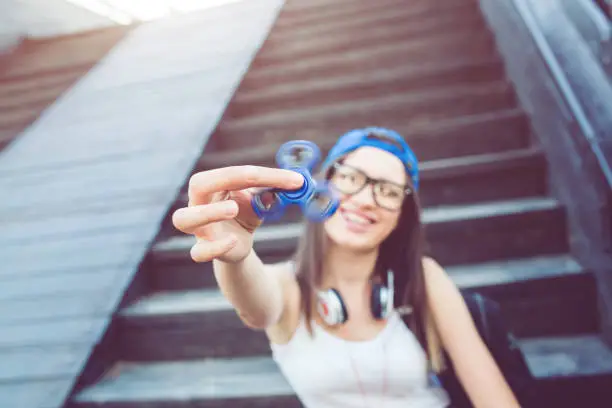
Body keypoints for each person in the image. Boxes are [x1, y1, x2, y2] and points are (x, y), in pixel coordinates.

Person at [172, 128, 521, 408]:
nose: (366, 199)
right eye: (352, 178)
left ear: (403, 214)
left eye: (388, 191)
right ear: (323, 185)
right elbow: (255, 310)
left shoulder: (424, 277)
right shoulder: (285, 285)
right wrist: (233, 252)